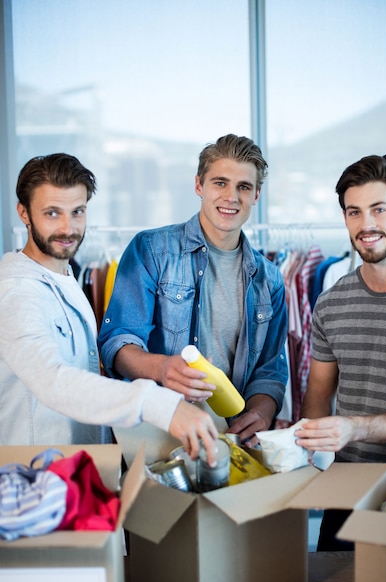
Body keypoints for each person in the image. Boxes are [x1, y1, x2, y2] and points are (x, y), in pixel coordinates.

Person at [0, 153, 218, 465]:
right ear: (24, 213)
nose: (67, 228)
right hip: (35, 481)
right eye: (52, 213)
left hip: (73, 473)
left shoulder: (63, 276)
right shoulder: (18, 294)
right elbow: (53, 380)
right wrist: (159, 405)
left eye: (77, 212)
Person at [98, 134, 289, 447]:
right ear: (199, 185)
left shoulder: (270, 280)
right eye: (220, 183)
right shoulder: (151, 250)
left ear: (257, 194)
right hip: (156, 432)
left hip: (227, 440)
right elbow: (116, 344)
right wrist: (162, 368)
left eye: (243, 186)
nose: (232, 197)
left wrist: (261, 412)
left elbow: (270, 371)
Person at [295, 154, 386, 549]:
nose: (366, 225)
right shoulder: (330, 303)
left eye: (379, 210)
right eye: (354, 212)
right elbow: (318, 393)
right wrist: (311, 447)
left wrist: (356, 427)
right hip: (347, 489)